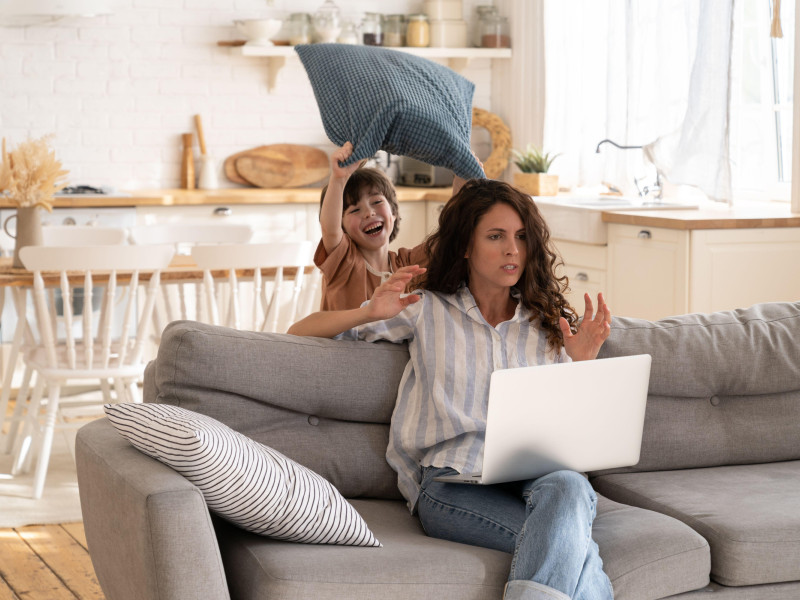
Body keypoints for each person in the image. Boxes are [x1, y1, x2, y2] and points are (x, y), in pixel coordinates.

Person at [290, 179, 613, 600]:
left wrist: (582, 363)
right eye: (495, 236)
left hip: (539, 478)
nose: (512, 249)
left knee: (570, 486)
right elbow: (299, 333)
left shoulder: (549, 323)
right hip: (452, 484)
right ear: (465, 245)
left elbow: (572, 433)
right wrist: (368, 311)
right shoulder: (424, 308)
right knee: (576, 551)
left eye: (520, 237)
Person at [314, 141, 469, 310]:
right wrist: (338, 179)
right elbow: (329, 229)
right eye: (355, 210)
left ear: (393, 213)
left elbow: (449, 237)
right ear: (342, 227)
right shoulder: (344, 261)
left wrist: (461, 180)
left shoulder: (407, 263)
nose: (369, 213)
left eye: (377, 201)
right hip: (341, 338)